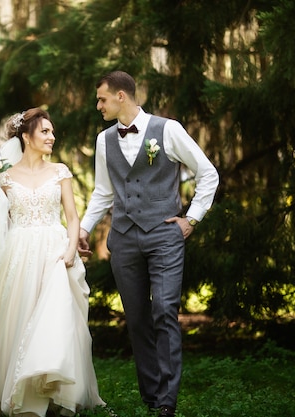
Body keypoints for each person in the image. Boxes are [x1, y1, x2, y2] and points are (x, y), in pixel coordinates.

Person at [78, 71, 219, 417]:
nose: (98, 105)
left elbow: (208, 173)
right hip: (123, 239)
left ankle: (168, 402)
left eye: (102, 99)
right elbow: (103, 192)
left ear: (121, 96)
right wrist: (83, 229)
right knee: (137, 318)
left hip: (164, 236)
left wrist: (192, 217)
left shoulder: (168, 129)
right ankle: (152, 395)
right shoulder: (103, 140)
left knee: (165, 311)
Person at [0, 107, 105, 417]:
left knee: (56, 319)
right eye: (45, 131)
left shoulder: (60, 171)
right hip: (18, 253)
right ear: (26, 136)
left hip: (54, 250)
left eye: (52, 131)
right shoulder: (3, 177)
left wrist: (71, 251)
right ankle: (16, 392)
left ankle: (54, 393)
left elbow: (72, 218)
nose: (52, 136)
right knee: (19, 317)